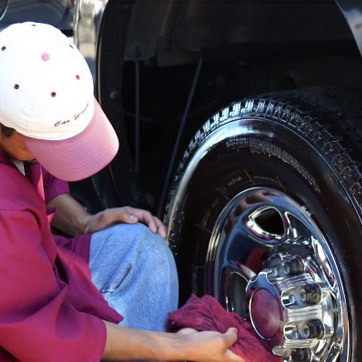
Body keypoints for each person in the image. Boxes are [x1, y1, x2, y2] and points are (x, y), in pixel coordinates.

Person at [0, 22, 244, 362]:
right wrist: (176, 348)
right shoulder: (4, 207)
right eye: (50, 146)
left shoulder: (16, 111)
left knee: (142, 248)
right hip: (23, 328)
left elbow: (42, 183)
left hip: (31, 265)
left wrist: (86, 222)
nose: (58, 154)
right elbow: (44, 335)